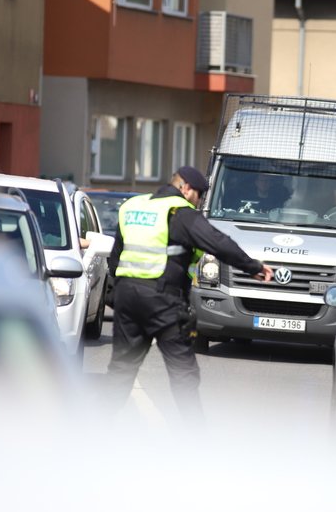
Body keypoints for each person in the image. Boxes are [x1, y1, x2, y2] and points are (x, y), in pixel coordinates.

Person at [104, 166, 273, 425]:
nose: (199, 201)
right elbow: (218, 242)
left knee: (120, 371)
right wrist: (254, 267)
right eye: (199, 194)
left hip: (127, 298)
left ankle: (87, 432)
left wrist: (124, 288)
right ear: (185, 188)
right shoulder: (179, 212)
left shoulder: (133, 207)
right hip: (162, 301)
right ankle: (197, 442)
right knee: (183, 373)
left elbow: (116, 257)